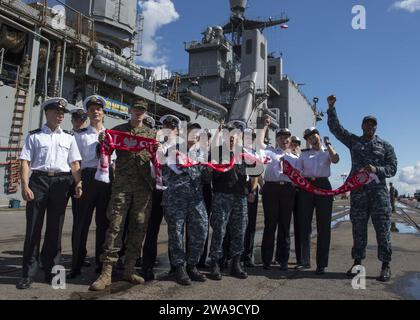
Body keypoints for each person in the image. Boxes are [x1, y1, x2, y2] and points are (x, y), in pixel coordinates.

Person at [327, 95, 397, 282]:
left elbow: (392, 168)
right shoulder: (354, 142)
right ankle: (357, 264)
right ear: (362, 126)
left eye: (373, 124)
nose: (370, 127)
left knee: (383, 230)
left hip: (379, 196)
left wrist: (377, 169)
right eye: (367, 124)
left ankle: (385, 266)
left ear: (376, 127)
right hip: (358, 194)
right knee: (358, 230)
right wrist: (331, 108)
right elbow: (337, 129)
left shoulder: (386, 146)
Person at [89, 98, 156, 291]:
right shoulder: (118, 131)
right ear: (131, 110)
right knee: (115, 227)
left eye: (142, 110)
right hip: (122, 187)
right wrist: (102, 142)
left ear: (145, 113)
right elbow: (103, 153)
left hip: (144, 189)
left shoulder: (151, 135)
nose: (138, 112)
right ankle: (106, 272)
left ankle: (129, 268)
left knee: (139, 227)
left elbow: (157, 162)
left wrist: (157, 152)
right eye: (136, 109)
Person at [17, 98, 82, 289]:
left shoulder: (69, 137)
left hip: (61, 184)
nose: (61, 115)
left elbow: (74, 164)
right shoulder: (34, 136)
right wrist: (24, 185)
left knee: (55, 230)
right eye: (57, 112)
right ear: (47, 112)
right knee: (33, 230)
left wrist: (79, 183)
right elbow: (25, 162)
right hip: (38, 182)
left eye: (63, 113)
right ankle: (27, 274)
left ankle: (53, 274)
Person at [68, 95, 113, 278]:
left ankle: (101, 264)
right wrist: (78, 182)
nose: (96, 111)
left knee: (104, 223)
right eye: (92, 109)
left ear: (103, 113)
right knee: (81, 223)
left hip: (106, 178)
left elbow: (114, 161)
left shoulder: (111, 135)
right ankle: (76, 264)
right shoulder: (80, 135)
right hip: (87, 178)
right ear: (87, 112)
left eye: (99, 109)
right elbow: (75, 161)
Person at [161, 122, 209, 285]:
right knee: (176, 234)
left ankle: (192, 264)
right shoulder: (172, 150)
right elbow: (162, 172)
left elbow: (205, 179)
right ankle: (179, 267)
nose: (194, 135)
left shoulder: (202, 153)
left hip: (196, 199)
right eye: (191, 131)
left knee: (201, 229)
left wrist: (209, 170)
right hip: (175, 198)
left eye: (197, 132)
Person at [141, 114, 181, 281]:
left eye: (171, 127)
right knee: (152, 230)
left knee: (175, 231)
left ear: (177, 130)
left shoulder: (183, 148)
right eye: (165, 126)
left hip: (174, 192)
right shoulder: (156, 146)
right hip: (156, 192)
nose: (168, 129)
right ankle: (147, 266)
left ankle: (176, 266)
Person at [296, 127, 339, 275]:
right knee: (304, 225)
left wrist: (328, 145)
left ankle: (321, 264)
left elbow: (336, 160)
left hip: (323, 187)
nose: (311, 139)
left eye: (313, 135)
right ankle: (304, 261)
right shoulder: (304, 154)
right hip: (307, 187)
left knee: (324, 227)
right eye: (308, 138)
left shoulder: (327, 151)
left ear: (318, 135)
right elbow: (297, 171)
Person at [208, 125, 249, 281]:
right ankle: (215, 262)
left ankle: (236, 263)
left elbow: (253, 173)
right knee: (219, 230)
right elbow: (212, 173)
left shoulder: (243, 154)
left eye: (234, 135)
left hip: (240, 196)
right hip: (222, 195)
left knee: (240, 230)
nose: (232, 138)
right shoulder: (217, 153)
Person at [259, 118, 300, 271]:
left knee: (284, 226)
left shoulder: (295, 158)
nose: (284, 140)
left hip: (288, 190)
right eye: (281, 137)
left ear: (290, 141)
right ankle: (267, 260)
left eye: (287, 138)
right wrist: (264, 126)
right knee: (270, 225)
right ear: (277, 140)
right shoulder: (270, 152)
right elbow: (259, 144)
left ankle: (283, 259)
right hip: (271, 189)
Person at [290, 135, 302, 265]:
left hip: (300, 192)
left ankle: (300, 257)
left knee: (300, 225)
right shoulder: (286, 155)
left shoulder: (302, 156)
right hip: (288, 190)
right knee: (283, 224)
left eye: (297, 143)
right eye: (293, 142)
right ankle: (281, 256)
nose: (295, 144)